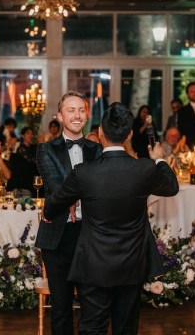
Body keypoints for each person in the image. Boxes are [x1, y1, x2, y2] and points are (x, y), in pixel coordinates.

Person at [44, 102, 179, 334]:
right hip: (132, 261)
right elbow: (172, 186)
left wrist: (49, 214)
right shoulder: (145, 169)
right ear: (128, 135)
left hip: (93, 263)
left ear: (101, 134)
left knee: (93, 326)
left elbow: (53, 205)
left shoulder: (84, 172)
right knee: (125, 326)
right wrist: (159, 159)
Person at [35, 91, 102, 335]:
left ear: (87, 115)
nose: (76, 115)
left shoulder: (97, 150)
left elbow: (100, 189)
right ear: (60, 116)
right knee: (61, 308)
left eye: (81, 110)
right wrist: (78, 193)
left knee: (92, 307)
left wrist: (72, 195)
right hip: (57, 237)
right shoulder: (46, 150)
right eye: (70, 110)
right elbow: (55, 185)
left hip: (91, 235)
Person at [8, 126, 39, 197]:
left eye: (31, 134)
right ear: (23, 135)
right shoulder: (21, 149)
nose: (30, 135)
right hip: (26, 181)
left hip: (33, 178)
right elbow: (33, 161)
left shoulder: (34, 147)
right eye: (28, 133)